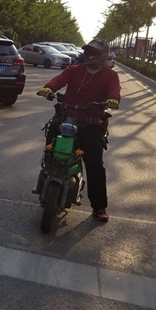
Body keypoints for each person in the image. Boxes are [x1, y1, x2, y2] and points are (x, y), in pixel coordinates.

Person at [37, 38, 121, 223]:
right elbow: (58, 80)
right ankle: (49, 171)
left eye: (95, 53)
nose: (90, 56)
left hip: (91, 123)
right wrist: (48, 88)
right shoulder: (74, 70)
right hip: (67, 116)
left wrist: (113, 99)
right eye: (88, 52)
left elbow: (114, 91)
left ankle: (99, 207)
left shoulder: (110, 76)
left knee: (95, 165)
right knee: (52, 132)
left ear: (103, 56)